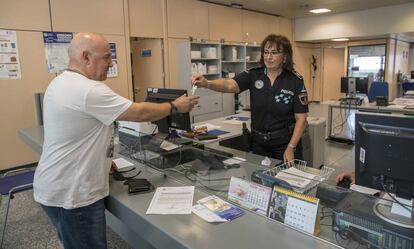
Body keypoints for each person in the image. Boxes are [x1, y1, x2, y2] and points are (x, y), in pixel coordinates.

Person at [33, 32, 199, 249]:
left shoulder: (61, 81)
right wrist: (174, 106)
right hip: (74, 195)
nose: (111, 64)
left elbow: (79, 133)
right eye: (106, 57)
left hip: (56, 185)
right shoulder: (88, 89)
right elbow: (138, 112)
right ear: (85, 57)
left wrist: (101, 161)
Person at [191, 34, 308, 162]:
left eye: (274, 53)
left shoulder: (295, 80)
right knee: (256, 180)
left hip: (285, 144)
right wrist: (207, 83)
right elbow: (229, 84)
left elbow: (301, 119)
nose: (269, 57)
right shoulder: (254, 75)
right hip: (258, 144)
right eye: (266, 52)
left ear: (285, 57)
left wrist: (291, 147)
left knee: (285, 181)